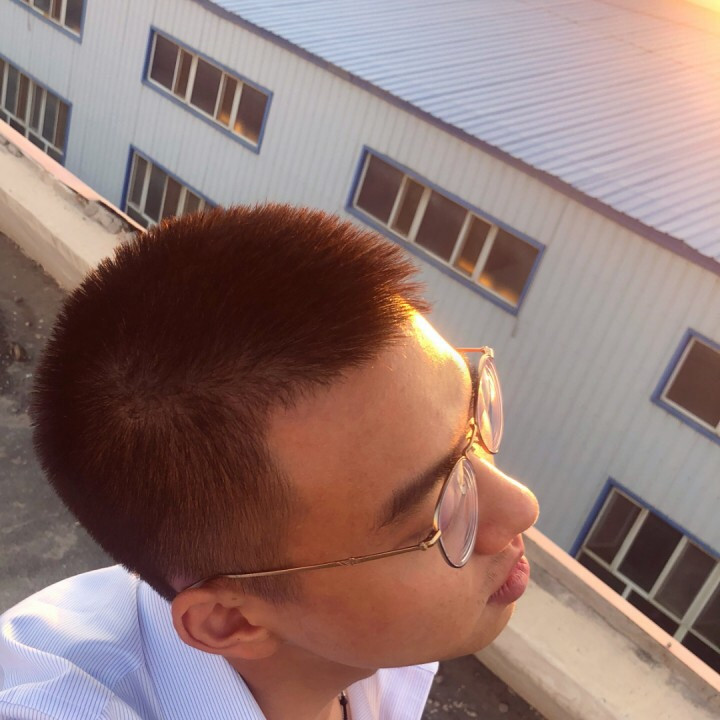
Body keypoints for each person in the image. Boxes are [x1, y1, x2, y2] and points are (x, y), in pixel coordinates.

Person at [0, 205, 539, 720]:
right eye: (440, 509)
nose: (521, 507)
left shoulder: (362, 635)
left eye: (473, 419)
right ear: (228, 620)